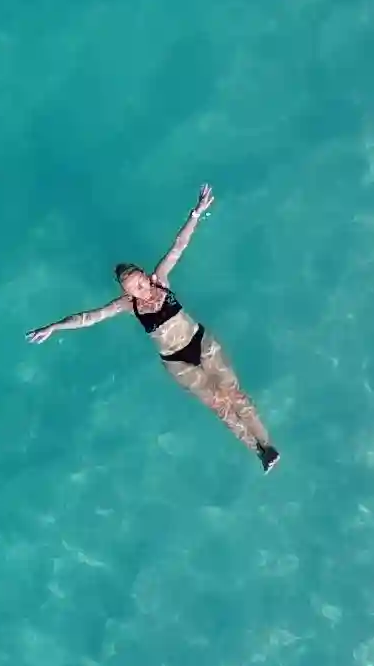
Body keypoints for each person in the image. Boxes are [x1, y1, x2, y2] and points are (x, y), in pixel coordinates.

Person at [27, 185, 279, 470]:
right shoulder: (127, 305)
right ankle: (258, 452)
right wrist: (55, 327)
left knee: (235, 395)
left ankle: (267, 443)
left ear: (146, 276)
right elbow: (90, 317)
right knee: (221, 408)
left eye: (139, 282)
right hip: (177, 362)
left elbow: (179, 246)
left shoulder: (161, 279)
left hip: (201, 343)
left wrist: (196, 213)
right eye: (132, 288)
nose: (140, 289)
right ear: (128, 292)